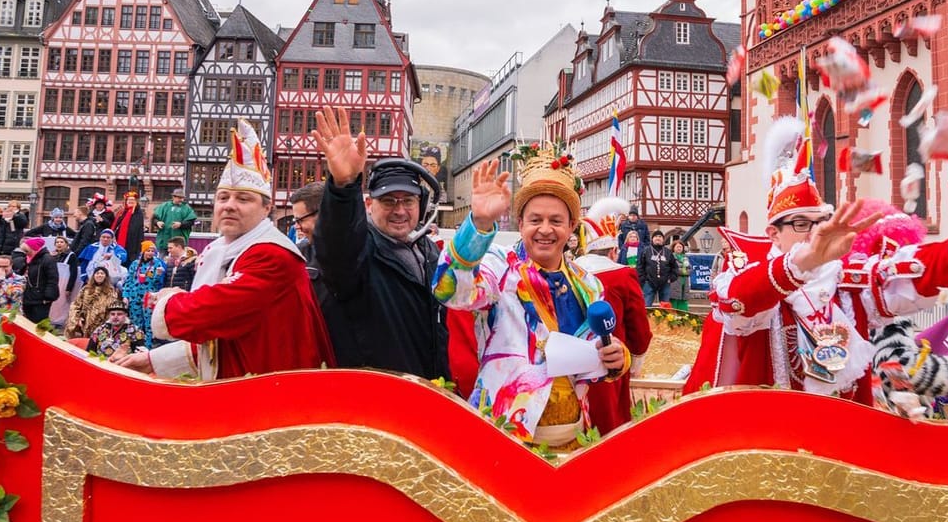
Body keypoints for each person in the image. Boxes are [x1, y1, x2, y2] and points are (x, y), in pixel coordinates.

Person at [685, 119, 948, 400]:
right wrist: (802, 263)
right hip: (763, 444)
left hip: (839, 446)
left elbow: (914, 273)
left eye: (819, 222)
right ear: (773, 233)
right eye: (798, 224)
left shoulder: (846, 280)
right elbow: (740, 301)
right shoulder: (746, 274)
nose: (812, 232)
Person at [434, 151, 627, 445]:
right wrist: (479, 225)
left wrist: (615, 358)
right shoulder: (501, 268)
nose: (545, 230)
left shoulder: (588, 285)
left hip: (574, 440)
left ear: (572, 226)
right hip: (507, 439)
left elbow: (591, 355)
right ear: (520, 223)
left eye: (556, 221)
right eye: (535, 219)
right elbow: (450, 290)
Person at [117, 125, 332, 379]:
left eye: (243, 199)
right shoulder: (226, 250)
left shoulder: (271, 255)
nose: (229, 206)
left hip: (274, 399)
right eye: (223, 198)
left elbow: (213, 313)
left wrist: (169, 299)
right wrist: (153, 360)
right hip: (251, 390)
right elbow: (220, 343)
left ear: (266, 209)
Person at [307, 106, 447, 378]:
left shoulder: (427, 252)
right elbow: (337, 248)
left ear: (421, 205)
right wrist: (344, 186)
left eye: (407, 201)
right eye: (388, 201)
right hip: (375, 400)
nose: (399, 210)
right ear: (369, 204)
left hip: (426, 392)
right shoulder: (359, 251)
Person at [573, 199, 653, 435]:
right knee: (609, 428)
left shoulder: (568, 270)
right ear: (613, 251)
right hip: (610, 366)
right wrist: (636, 363)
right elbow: (638, 328)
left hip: (569, 367)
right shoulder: (623, 275)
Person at [120, 240, 166, 337]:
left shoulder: (157, 264)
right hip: (134, 297)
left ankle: (148, 346)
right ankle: (137, 345)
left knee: (149, 324)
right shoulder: (135, 264)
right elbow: (128, 281)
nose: (150, 253)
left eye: (152, 251)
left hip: (149, 298)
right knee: (135, 323)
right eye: (148, 250)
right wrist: (125, 296)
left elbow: (157, 284)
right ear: (143, 251)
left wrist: (158, 275)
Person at [66, 265, 122, 340]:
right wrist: (77, 319)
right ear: (93, 276)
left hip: (100, 325)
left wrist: (106, 325)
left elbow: (112, 310)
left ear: (106, 276)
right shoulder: (86, 289)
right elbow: (76, 304)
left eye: (102, 273)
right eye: (97, 273)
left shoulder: (111, 292)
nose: (99, 275)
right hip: (83, 323)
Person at [20, 236, 60, 325]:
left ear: (34, 249)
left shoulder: (47, 259)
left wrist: (48, 296)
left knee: (40, 324)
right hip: (29, 297)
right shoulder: (28, 260)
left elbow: (52, 279)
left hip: (41, 299)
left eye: (27, 251)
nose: (26, 254)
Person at [638, 230, 679, 307]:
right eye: (656, 236)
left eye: (660, 237)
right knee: (646, 306)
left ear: (663, 239)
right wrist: (643, 279)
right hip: (649, 282)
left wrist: (671, 278)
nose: (658, 238)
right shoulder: (646, 251)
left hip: (665, 283)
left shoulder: (668, 252)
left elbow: (675, 267)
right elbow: (640, 266)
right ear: (652, 239)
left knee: (665, 308)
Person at [153, 186, 198, 254]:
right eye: (179, 198)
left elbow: (191, 222)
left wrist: (181, 224)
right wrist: (157, 222)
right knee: (162, 261)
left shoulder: (187, 208)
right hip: (164, 240)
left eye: (182, 198)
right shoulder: (164, 206)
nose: (181, 200)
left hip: (178, 242)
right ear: (173, 197)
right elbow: (155, 218)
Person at [110, 189, 147, 264]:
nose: (130, 201)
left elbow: (136, 229)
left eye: (133, 200)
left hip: (132, 242)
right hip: (119, 241)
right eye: (129, 200)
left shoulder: (137, 213)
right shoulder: (122, 212)